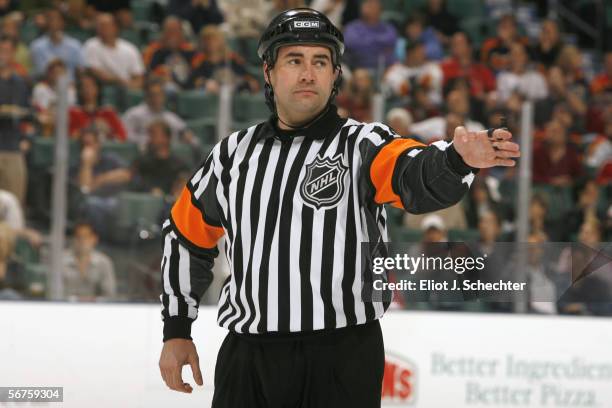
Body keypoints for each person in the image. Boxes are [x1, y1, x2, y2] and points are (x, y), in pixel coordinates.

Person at [157, 8, 520, 407]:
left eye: (320, 62)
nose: (308, 73)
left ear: (335, 75)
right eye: (294, 60)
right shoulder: (231, 155)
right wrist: (177, 329)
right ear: (268, 71)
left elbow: (416, 177)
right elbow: (185, 237)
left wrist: (455, 161)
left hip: (341, 357)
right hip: (249, 359)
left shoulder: (365, 145)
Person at [82, 13, 144, 89]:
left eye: (105, 26)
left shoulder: (130, 49)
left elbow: (138, 77)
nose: (102, 29)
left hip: (126, 88)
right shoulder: (91, 45)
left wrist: (130, 86)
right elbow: (94, 70)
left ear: (115, 27)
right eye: (99, 26)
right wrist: (118, 80)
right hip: (102, 88)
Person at [62, 220, 117, 301]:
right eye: (78, 237)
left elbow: (109, 294)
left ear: (94, 239)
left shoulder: (104, 262)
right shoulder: (61, 260)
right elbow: (55, 292)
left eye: (86, 237)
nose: (82, 240)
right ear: (73, 239)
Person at [30, 8, 85, 79]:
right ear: (46, 22)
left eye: (57, 19)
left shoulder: (74, 45)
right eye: (50, 19)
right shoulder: (37, 46)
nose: (53, 22)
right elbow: (40, 73)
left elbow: (81, 69)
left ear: (63, 22)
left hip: (71, 86)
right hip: (47, 86)